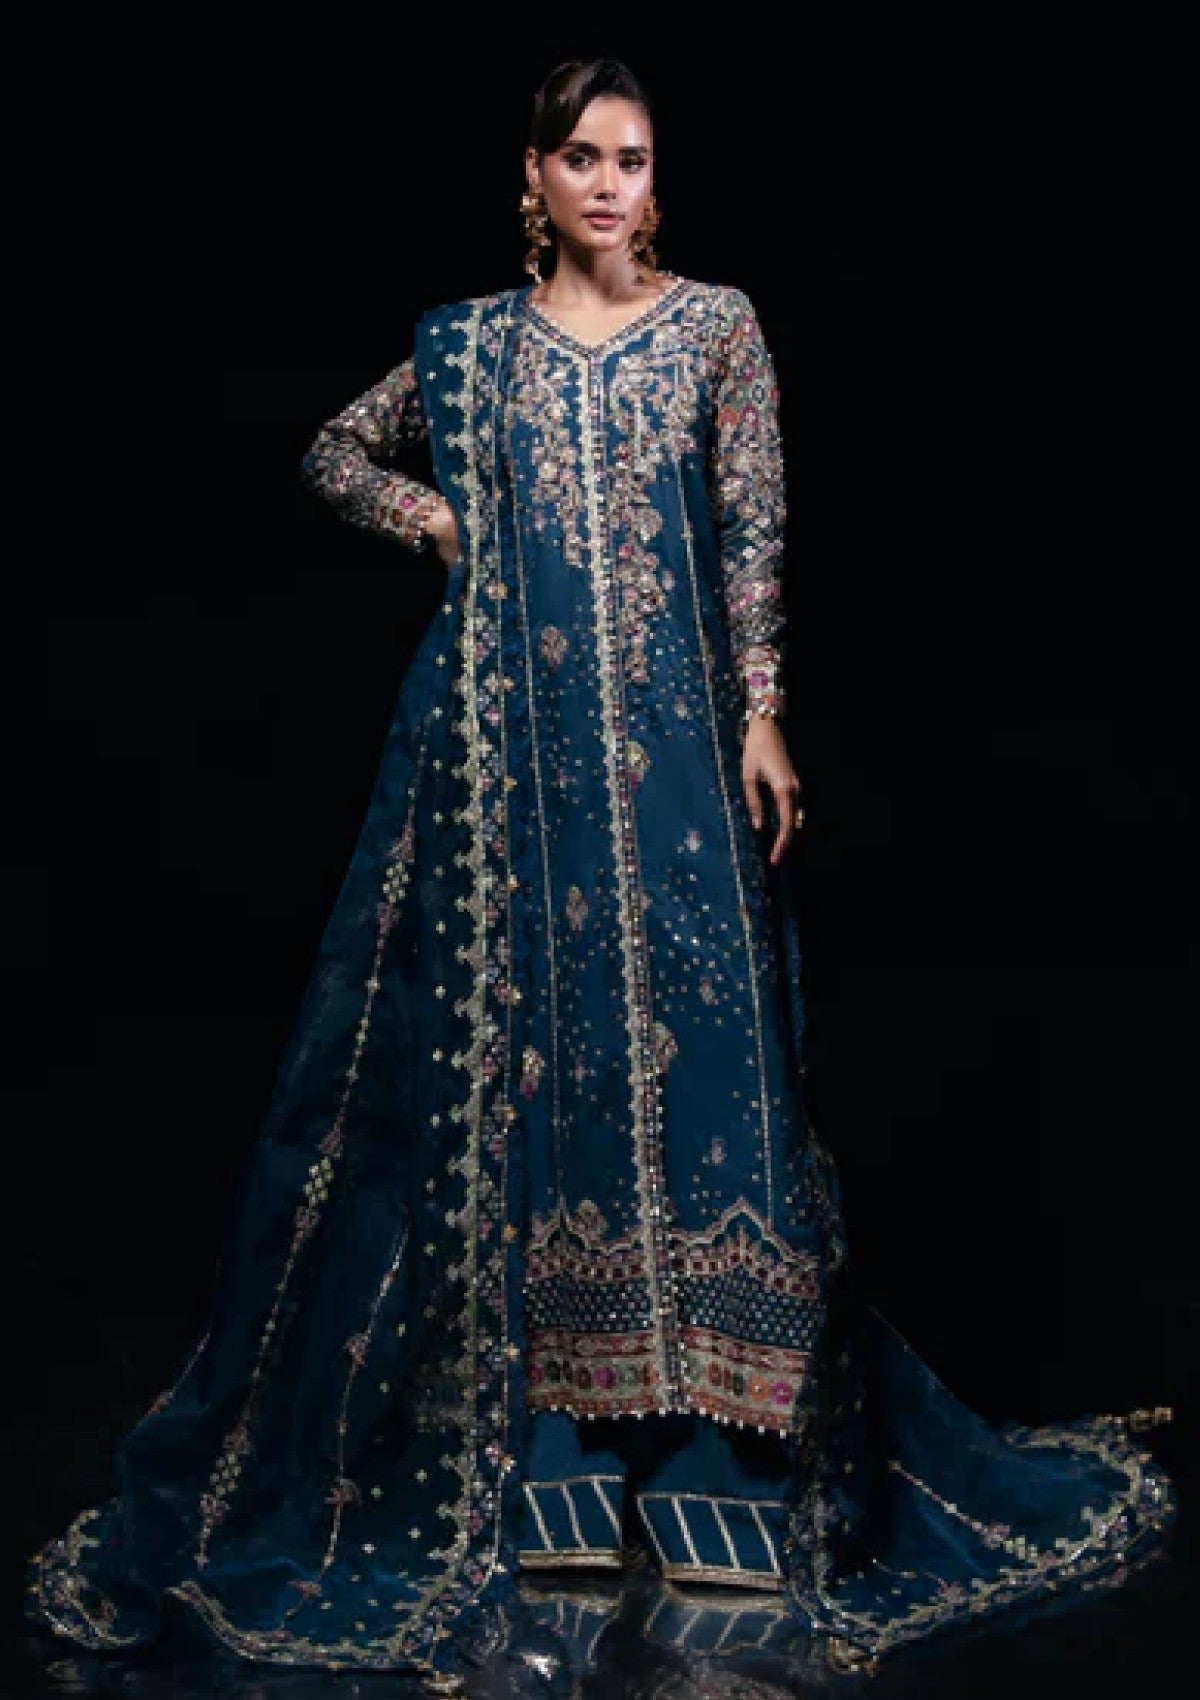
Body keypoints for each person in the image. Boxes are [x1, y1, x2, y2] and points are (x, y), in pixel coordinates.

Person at [24, 55, 1176, 1688]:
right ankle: (564, 1447)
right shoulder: (474, 347)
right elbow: (334, 454)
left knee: (716, 1070)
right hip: (524, 774)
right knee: (551, 1073)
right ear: (534, 175)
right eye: (581, 157)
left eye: (632, 158)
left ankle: (725, 1455)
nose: (610, 185)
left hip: (686, 759)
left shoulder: (716, 330)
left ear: (656, 176)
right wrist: (438, 523)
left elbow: (753, 531)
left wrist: (762, 711)